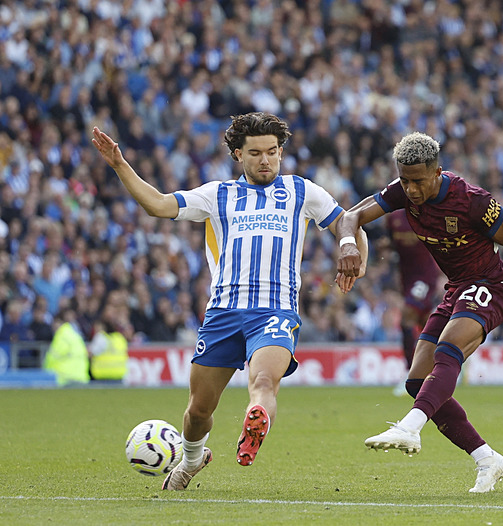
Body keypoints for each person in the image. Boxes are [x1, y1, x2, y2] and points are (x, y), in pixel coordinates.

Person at [91, 112, 368, 490]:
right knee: (198, 411)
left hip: (275, 310)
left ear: (281, 152)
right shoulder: (217, 195)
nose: (266, 160)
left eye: (272, 152)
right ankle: (191, 459)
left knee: (265, 381)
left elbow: (348, 221)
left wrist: (354, 255)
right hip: (223, 312)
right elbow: (157, 205)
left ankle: (256, 419)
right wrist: (121, 165)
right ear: (239, 154)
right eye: (256, 153)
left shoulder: (303, 191)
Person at [337, 132, 503, 493]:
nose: (410, 190)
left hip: (490, 284)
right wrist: (348, 245)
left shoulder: (472, 201)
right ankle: (487, 459)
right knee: (416, 381)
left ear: (437, 172)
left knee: (448, 349)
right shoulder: (400, 191)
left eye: (418, 181)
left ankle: (409, 427)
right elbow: (351, 217)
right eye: (405, 180)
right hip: (457, 288)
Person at [384, 209, 443, 395]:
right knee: (426, 325)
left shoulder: (427, 215)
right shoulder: (393, 218)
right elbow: (390, 245)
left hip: (425, 276)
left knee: (406, 318)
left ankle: (411, 374)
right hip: (407, 278)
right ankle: (444, 365)